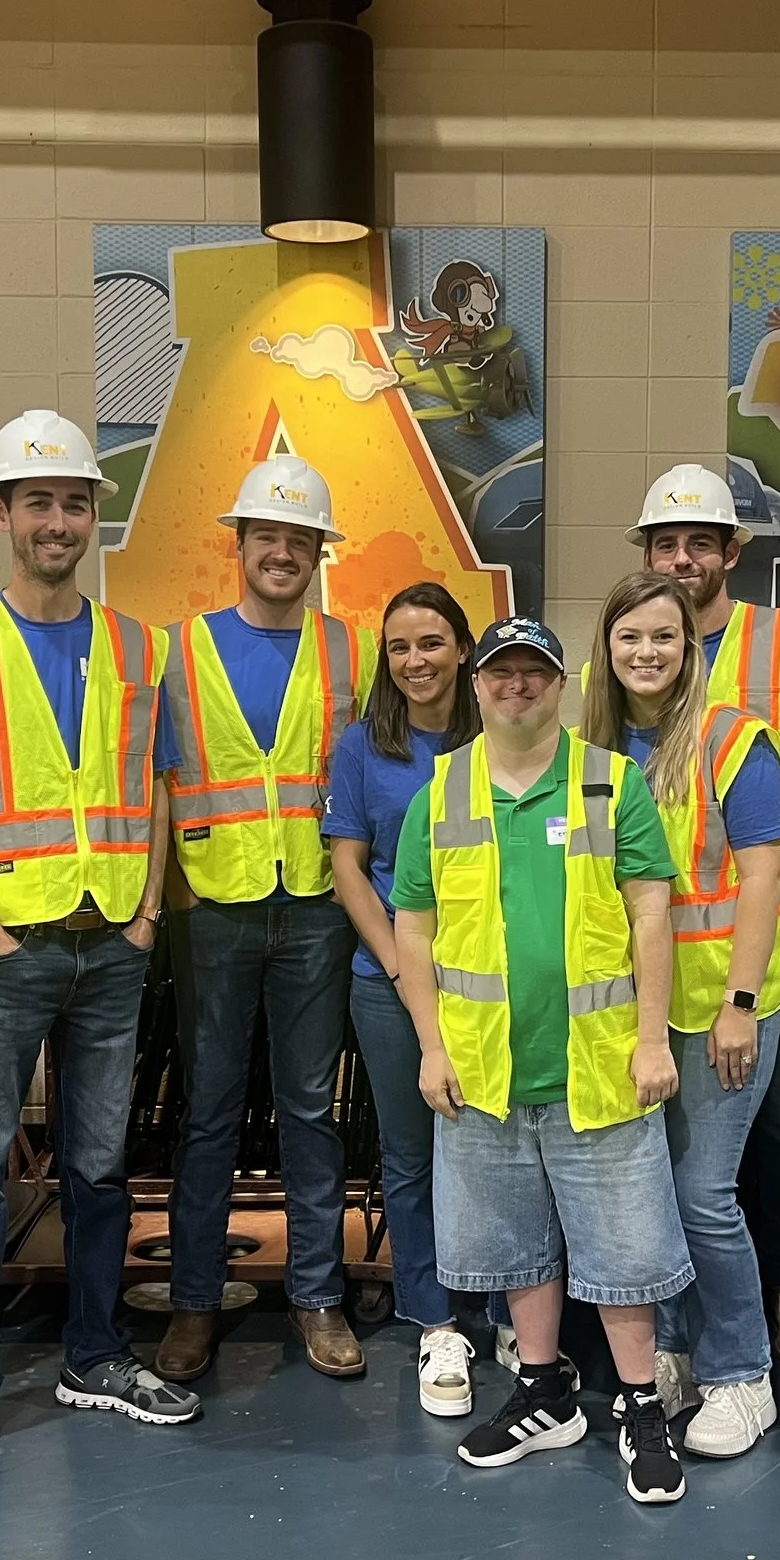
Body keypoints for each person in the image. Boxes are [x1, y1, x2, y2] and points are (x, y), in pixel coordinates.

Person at [0, 413, 195, 1482]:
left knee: (102, 1165)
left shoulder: (137, 646)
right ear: (1, 514)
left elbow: (158, 788)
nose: (60, 520)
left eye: (76, 502)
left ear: (93, 515)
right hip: (4, 951)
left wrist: (148, 911)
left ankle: (94, 1357)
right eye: (39, 502)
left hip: (110, 945)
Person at [390, 616, 693, 1505]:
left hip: (598, 1070)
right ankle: (545, 1389)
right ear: (476, 686)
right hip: (481, 1074)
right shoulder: (440, 792)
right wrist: (432, 1046)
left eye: (534, 673)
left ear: (560, 684)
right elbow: (414, 924)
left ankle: (639, 1406)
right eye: (500, 673)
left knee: (626, 1251)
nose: (515, 686)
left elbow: (649, 911)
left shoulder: (611, 782)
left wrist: (648, 1037)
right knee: (516, 1246)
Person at [153, 456, 374, 1384]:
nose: (283, 552)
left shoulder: (350, 649)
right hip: (214, 909)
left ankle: (317, 1298)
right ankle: (196, 1301)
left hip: (318, 910)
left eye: (300, 539)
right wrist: (174, 896)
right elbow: (151, 782)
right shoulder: (177, 651)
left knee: (309, 1114)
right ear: (238, 544)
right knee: (205, 1116)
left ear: (320, 551)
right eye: (268, 537)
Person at [630, 465, 780, 1369]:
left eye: (698, 543)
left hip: (759, 935)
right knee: (675, 1150)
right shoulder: (628, 656)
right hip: (657, 945)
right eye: (665, 544)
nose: (682, 558)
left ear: (732, 551)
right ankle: (680, 1327)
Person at [582, 572, 780, 1458]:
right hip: (629, 1014)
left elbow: (761, 873)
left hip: (720, 1005)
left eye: (663, 637)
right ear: (607, 646)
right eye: (629, 636)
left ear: (689, 646)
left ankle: (744, 1373)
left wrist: (740, 1003)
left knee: (704, 1194)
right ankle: (675, 1349)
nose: (646, 652)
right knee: (650, 1195)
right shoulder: (588, 747)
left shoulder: (731, 738)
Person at [325, 581, 488, 1417]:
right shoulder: (364, 746)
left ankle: (501, 1300)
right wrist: (395, 962)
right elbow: (349, 864)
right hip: (388, 983)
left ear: (463, 647)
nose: (416, 660)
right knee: (411, 1155)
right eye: (399, 646)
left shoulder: (502, 734)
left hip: (491, 986)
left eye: (431, 642)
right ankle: (437, 1320)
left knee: (497, 1150)